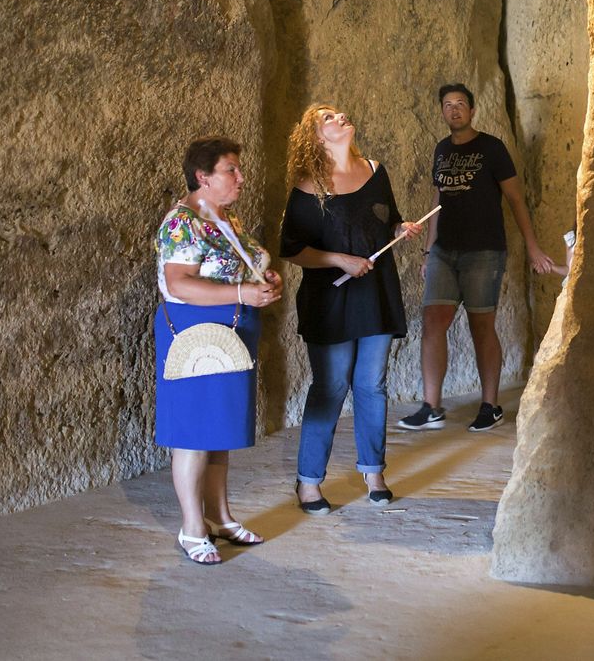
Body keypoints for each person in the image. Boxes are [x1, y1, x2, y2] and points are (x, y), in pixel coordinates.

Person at [281, 104, 424, 512]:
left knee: (372, 384)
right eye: (328, 117)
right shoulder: (308, 188)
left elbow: (388, 220)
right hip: (330, 298)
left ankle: (374, 471)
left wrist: (401, 228)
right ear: (314, 136)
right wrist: (340, 260)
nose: (340, 117)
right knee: (331, 387)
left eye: (340, 114)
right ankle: (308, 482)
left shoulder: (376, 170)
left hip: (376, 292)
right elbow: (293, 250)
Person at [154, 136, 283, 565]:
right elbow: (179, 283)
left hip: (231, 328)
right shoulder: (182, 222)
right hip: (196, 332)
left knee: (219, 431)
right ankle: (193, 527)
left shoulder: (226, 219)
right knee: (193, 433)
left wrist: (266, 282)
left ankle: (221, 517)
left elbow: (247, 267)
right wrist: (245, 292)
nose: (241, 178)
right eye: (232, 170)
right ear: (202, 177)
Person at [399, 83, 554, 433]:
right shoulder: (441, 149)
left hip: (484, 250)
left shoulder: (491, 148)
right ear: (441, 111)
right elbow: (438, 201)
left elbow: (515, 198)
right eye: (448, 105)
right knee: (432, 322)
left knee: (481, 324)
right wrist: (428, 250)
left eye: (461, 104)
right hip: (443, 251)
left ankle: (490, 405)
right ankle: (431, 406)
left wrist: (532, 246)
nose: (454, 110)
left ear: (472, 111)